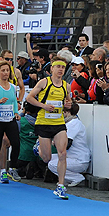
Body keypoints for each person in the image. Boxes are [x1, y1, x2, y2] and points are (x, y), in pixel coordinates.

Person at [25, 56, 73, 199]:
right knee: (46, 158)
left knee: (62, 153)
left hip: (58, 123)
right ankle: (38, 147)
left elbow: (69, 103)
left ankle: (61, 186)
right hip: (44, 122)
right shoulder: (44, 82)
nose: (60, 70)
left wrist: (68, 105)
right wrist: (43, 106)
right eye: (58, 67)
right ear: (52, 68)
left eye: (63, 67)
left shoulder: (66, 85)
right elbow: (29, 98)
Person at [0, 60, 22, 183]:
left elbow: (14, 100)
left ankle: (12, 168)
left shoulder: (13, 86)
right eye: (3, 70)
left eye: (7, 70)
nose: (5, 73)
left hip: (10, 119)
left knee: (16, 143)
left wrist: (16, 112)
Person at [47, 102, 90, 186]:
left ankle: (77, 178)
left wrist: (55, 142)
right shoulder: (69, 123)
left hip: (79, 160)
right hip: (71, 157)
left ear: (67, 112)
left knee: (52, 164)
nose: (62, 113)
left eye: (63, 111)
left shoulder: (74, 123)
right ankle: (67, 178)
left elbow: (66, 144)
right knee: (48, 157)